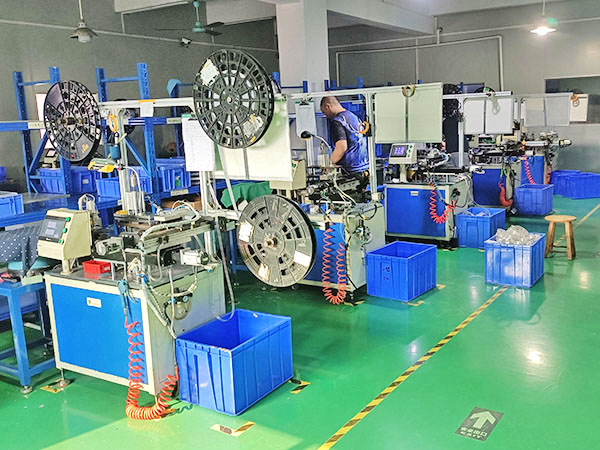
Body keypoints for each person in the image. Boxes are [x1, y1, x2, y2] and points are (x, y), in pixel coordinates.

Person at [320, 96, 369, 174]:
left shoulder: (337, 121)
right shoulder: (353, 117)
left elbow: (341, 147)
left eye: (324, 112)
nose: (326, 115)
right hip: (363, 167)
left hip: (349, 171)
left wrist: (329, 165)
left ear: (328, 106)